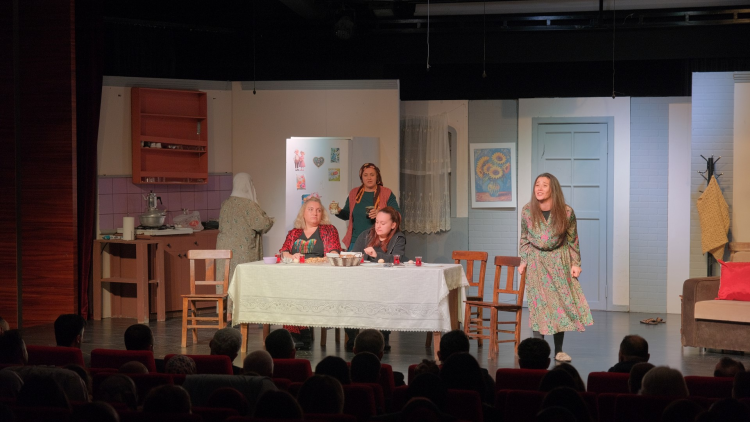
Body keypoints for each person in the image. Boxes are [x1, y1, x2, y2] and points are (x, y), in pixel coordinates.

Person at [519, 173, 593, 362]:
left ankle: (559, 350)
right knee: (539, 305)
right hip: (536, 261)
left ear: (553, 189)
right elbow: (524, 238)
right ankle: (538, 351)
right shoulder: (527, 211)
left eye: (544, 185)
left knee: (558, 304)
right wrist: (523, 260)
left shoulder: (566, 212)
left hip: (559, 260)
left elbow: (573, 240)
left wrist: (576, 264)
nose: (539, 188)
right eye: (537, 184)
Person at [279, 197, 342, 349]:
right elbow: (284, 252)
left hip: (319, 277)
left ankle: (300, 332)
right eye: (311, 209)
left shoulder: (329, 230)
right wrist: (292, 256)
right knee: (289, 289)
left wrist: (321, 260)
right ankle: (299, 330)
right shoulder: (294, 232)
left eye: (319, 210)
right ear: (303, 213)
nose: (315, 213)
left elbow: (334, 252)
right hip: (296, 275)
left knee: (299, 289)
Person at [216, 172, 275, 320]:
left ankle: (227, 313)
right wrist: (270, 220)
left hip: (223, 249)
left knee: (227, 277)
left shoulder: (225, 203)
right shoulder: (249, 205)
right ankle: (240, 312)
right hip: (243, 249)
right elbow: (262, 224)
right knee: (240, 278)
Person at [348, 208, 406, 350]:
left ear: (393, 225)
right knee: (350, 296)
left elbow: (397, 259)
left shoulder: (398, 238)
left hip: (385, 282)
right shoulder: (365, 235)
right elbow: (354, 256)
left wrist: (376, 255)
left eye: (383, 223)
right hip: (363, 281)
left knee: (384, 298)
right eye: (377, 222)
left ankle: (384, 336)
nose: (378, 226)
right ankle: (352, 336)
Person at [331, 162, 401, 252]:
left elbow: (397, 214)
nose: (369, 178)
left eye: (372, 175)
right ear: (361, 177)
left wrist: (380, 213)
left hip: (378, 241)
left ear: (377, 176)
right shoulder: (354, 193)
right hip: (356, 241)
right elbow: (348, 214)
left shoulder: (386, 193)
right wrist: (338, 211)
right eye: (365, 175)